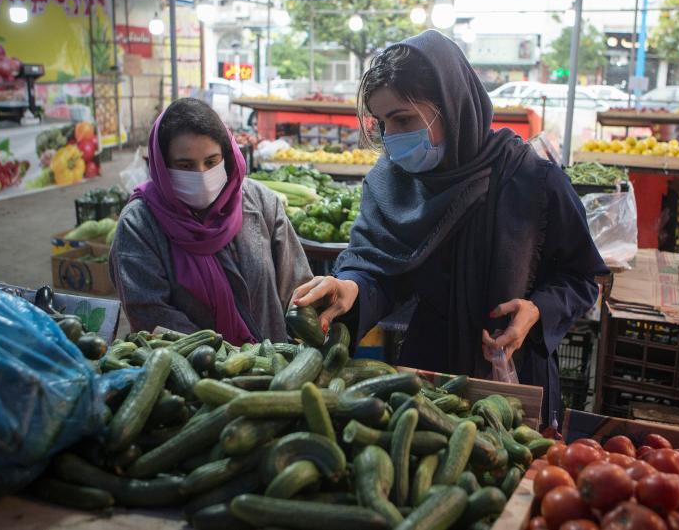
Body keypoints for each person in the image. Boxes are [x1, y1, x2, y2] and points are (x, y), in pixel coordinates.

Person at [292, 30, 607, 426]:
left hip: (512, 376)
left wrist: (538, 310)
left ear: (452, 106)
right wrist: (351, 285)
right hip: (427, 378)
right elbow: (379, 269)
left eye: (404, 119)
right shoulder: (393, 183)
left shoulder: (533, 181)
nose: (393, 138)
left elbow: (581, 276)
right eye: (384, 123)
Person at [110, 98, 312, 344]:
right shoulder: (139, 225)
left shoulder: (261, 202)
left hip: (276, 370)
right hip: (198, 376)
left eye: (211, 162)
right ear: (162, 165)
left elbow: (298, 289)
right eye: (185, 165)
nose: (202, 176)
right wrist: (232, 361)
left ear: (226, 155)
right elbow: (150, 314)